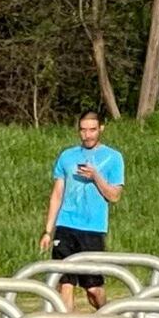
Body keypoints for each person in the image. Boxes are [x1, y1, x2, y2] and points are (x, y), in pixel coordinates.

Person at [46, 115, 126, 305]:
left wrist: (95, 176)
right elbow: (57, 194)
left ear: (101, 129)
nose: (87, 135)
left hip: (92, 228)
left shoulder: (113, 157)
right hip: (65, 224)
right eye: (83, 130)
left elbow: (114, 196)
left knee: (93, 289)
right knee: (64, 282)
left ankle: (106, 317)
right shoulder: (67, 156)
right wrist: (48, 230)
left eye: (92, 130)